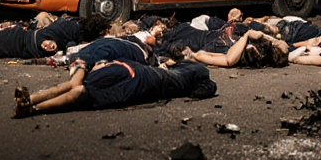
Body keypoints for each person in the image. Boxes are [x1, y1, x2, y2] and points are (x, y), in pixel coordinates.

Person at [14, 58, 217, 117]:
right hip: (140, 77)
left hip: (141, 79)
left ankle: (32, 104)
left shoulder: (198, 72)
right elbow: (206, 89)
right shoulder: (191, 69)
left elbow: (206, 88)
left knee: (80, 90)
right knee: (80, 89)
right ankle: (31, 103)